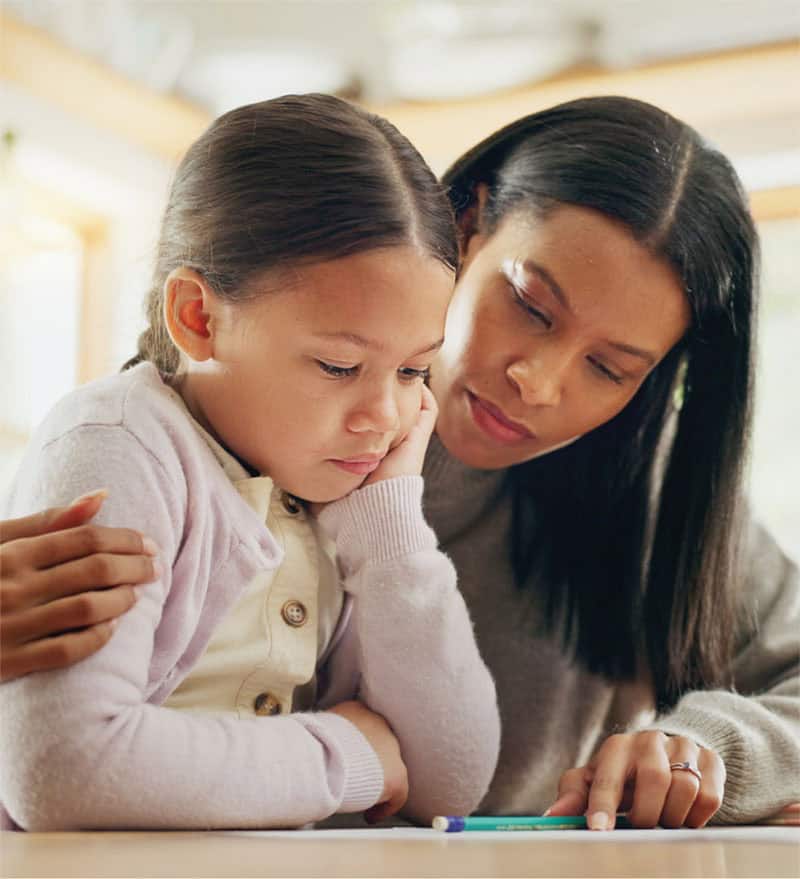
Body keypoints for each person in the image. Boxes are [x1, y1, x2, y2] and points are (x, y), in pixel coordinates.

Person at [3, 95, 799, 830]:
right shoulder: (222, 425)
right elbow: (62, 760)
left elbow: (443, 775)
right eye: (528, 305)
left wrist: (708, 750)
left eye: (611, 368)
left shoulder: (644, 499)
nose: (539, 381)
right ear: (466, 227)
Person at [0, 94, 501, 831]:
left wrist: (389, 526)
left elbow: (449, 781)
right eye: (337, 365)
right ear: (199, 318)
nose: (384, 417)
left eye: (412, 372)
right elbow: (64, 770)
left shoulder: (341, 491)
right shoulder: (119, 441)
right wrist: (347, 753)